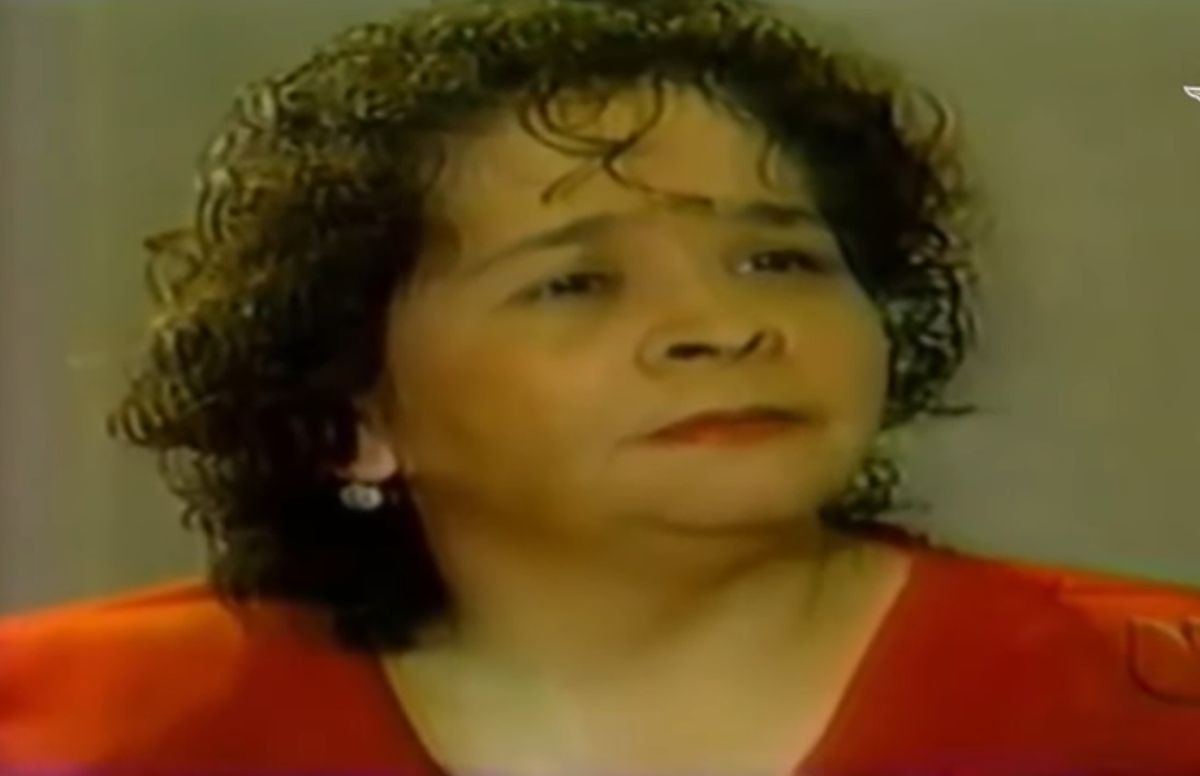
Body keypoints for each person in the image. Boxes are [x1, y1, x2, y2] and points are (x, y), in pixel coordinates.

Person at [2, 0, 1199, 774]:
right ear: (351, 416)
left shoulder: (1155, 696)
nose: (725, 326)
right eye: (575, 283)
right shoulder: (68, 722)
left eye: (780, 260)